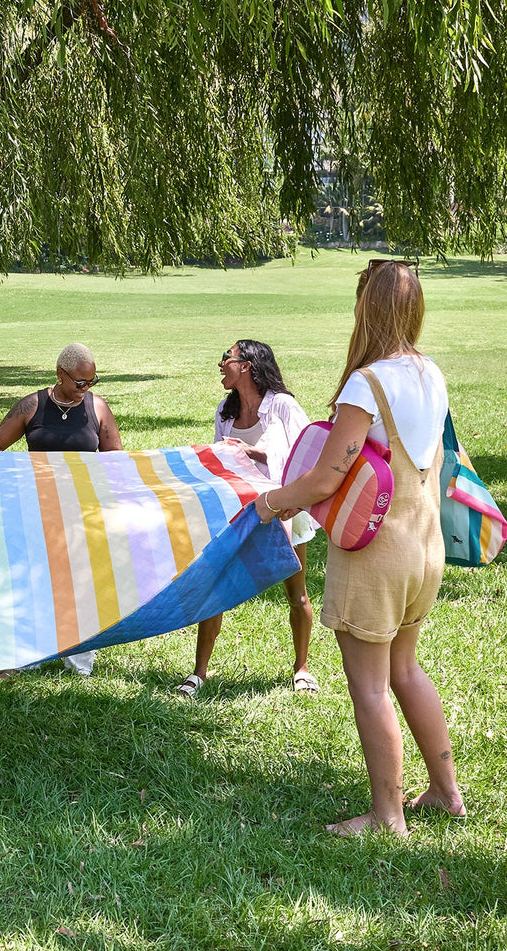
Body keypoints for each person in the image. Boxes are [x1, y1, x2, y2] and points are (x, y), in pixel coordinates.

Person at [254, 260, 465, 835]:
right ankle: (447, 794)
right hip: (424, 551)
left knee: (370, 685)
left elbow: (326, 479)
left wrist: (270, 503)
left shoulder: (366, 383)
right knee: (406, 670)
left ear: (366, 308)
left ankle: (386, 815)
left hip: (376, 554)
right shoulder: (431, 373)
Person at [175, 340, 319, 697]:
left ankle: (301, 668)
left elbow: (306, 452)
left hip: (283, 508)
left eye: (227, 357)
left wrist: (250, 451)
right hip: (239, 512)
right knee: (215, 589)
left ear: (248, 366)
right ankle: (198, 674)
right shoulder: (226, 410)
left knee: (296, 594)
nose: (221, 363)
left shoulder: (282, 405)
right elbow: (220, 463)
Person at [0, 342, 123, 676]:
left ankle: (79, 661)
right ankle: (26, 656)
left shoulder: (98, 408)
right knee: (31, 580)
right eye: (80, 382)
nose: (85, 389)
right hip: (35, 508)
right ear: (60, 374)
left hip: (83, 510)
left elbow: (116, 461)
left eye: (92, 382)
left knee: (82, 582)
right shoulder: (32, 406)